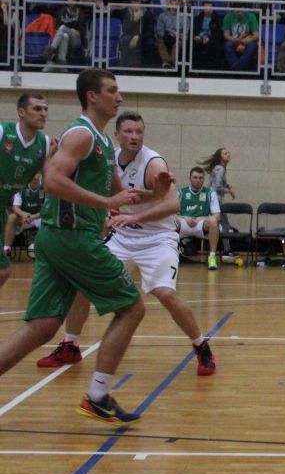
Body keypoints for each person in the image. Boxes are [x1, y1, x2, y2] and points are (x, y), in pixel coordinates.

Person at [0, 69, 166, 424]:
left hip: (59, 238)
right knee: (132, 308)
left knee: (44, 326)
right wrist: (106, 204)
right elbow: (53, 180)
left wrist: (158, 192)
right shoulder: (81, 134)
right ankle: (97, 396)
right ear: (92, 96)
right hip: (73, 236)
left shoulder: (102, 141)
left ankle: (97, 396)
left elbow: (121, 193)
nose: (119, 97)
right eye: (112, 90)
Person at [40, 113, 217, 375]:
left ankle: (201, 345)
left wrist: (135, 216)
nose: (134, 137)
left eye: (139, 132)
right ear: (117, 135)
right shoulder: (109, 159)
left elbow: (173, 204)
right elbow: (113, 194)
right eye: (129, 132)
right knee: (81, 286)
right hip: (123, 237)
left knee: (165, 294)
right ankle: (70, 344)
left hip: (157, 239)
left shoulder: (153, 163)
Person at [0, 94, 54, 292]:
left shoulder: (45, 143)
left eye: (45, 109)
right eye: (37, 109)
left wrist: (56, 156)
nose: (43, 113)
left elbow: (50, 184)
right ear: (21, 112)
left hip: (1, 208)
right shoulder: (3, 132)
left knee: (3, 272)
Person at [177, 165, 221, 271]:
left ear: (203, 179)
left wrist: (200, 219)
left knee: (213, 221)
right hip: (184, 223)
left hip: (201, 224)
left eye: (200, 178)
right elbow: (171, 214)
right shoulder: (181, 193)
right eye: (195, 177)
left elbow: (217, 215)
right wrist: (186, 218)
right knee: (170, 220)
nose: (198, 180)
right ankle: (171, 254)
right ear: (190, 178)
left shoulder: (210, 193)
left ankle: (212, 257)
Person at [5, 177, 45, 260]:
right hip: (25, 218)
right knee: (12, 217)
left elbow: (48, 208)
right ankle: (6, 250)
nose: (35, 177)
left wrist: (33, 217)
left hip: (40, 218)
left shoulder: (46, 185)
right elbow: (15, 207)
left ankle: (36, 246)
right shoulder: (21, 186)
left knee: (50, 218)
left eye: (37, 173)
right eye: (32, 174)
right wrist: (23, 214)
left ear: (40, 173)